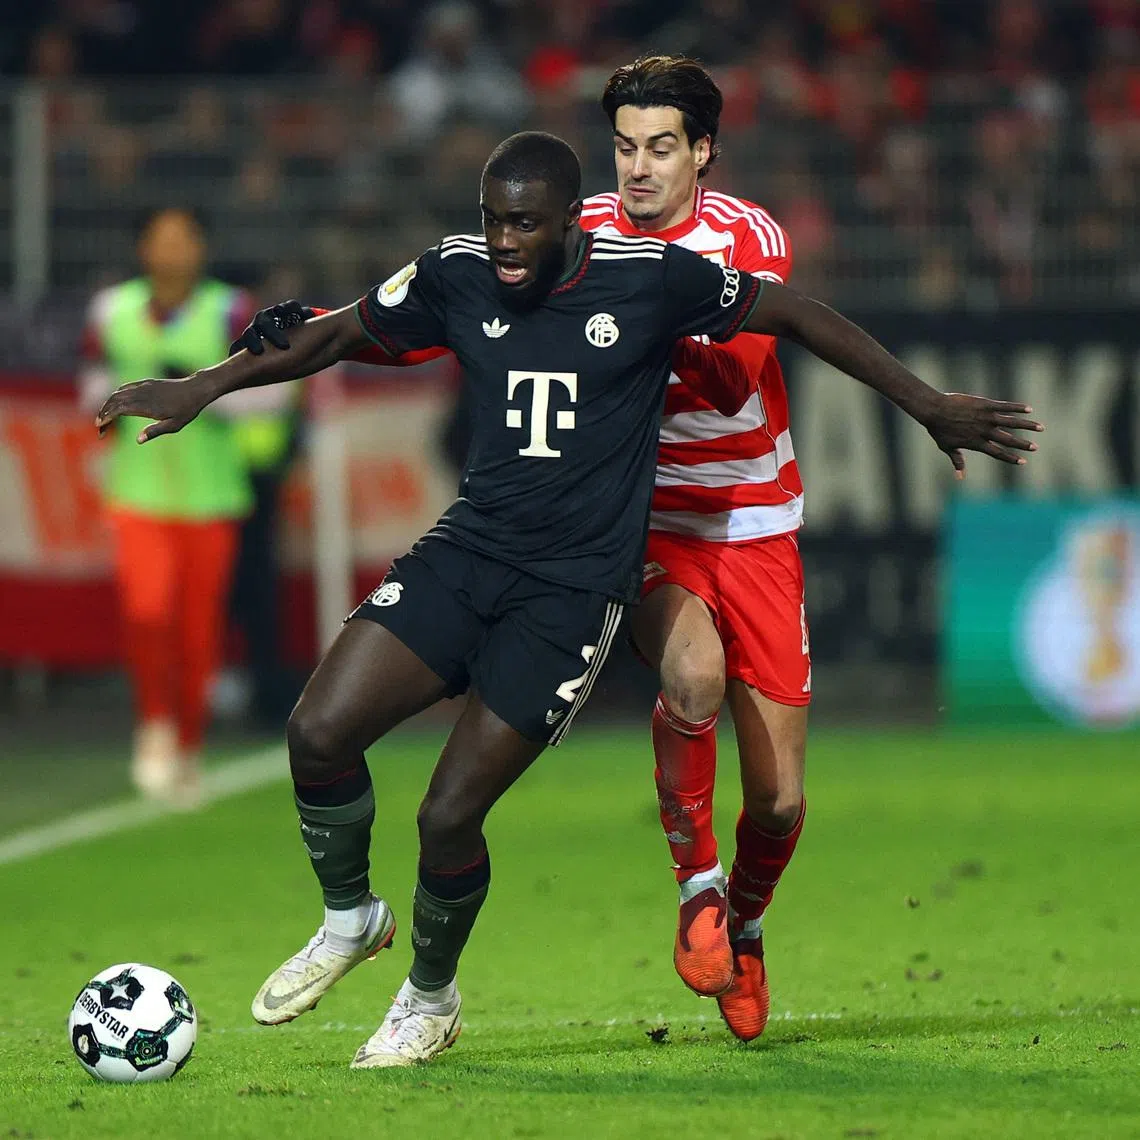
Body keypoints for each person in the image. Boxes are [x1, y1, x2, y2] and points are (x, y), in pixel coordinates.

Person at [96, 131, 1041, 1070]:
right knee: (316, 734)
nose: (504, 242)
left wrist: (924, 403)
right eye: (492, 221)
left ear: (566, 222)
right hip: (467, 553)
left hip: (572, 595)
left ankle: (430, 998)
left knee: (446, 817)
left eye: (524, 226)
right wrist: (205, 386)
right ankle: (351, 920)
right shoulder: (457, 272)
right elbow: (342, 331)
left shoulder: (648, 277)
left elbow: (795, 314)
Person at [78, 206, 259, 806]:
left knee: (198, 631)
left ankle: (188, 744)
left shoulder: (231, 310)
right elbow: (89, 392)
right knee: (148, 614)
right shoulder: (112, 312)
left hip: (211, 494)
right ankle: (154, 726)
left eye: (185, 239)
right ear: (143, 249)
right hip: (140, 493)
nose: (173, 251)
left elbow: (269, 399)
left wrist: (201, 392)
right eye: (162, 239)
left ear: (202, 248)